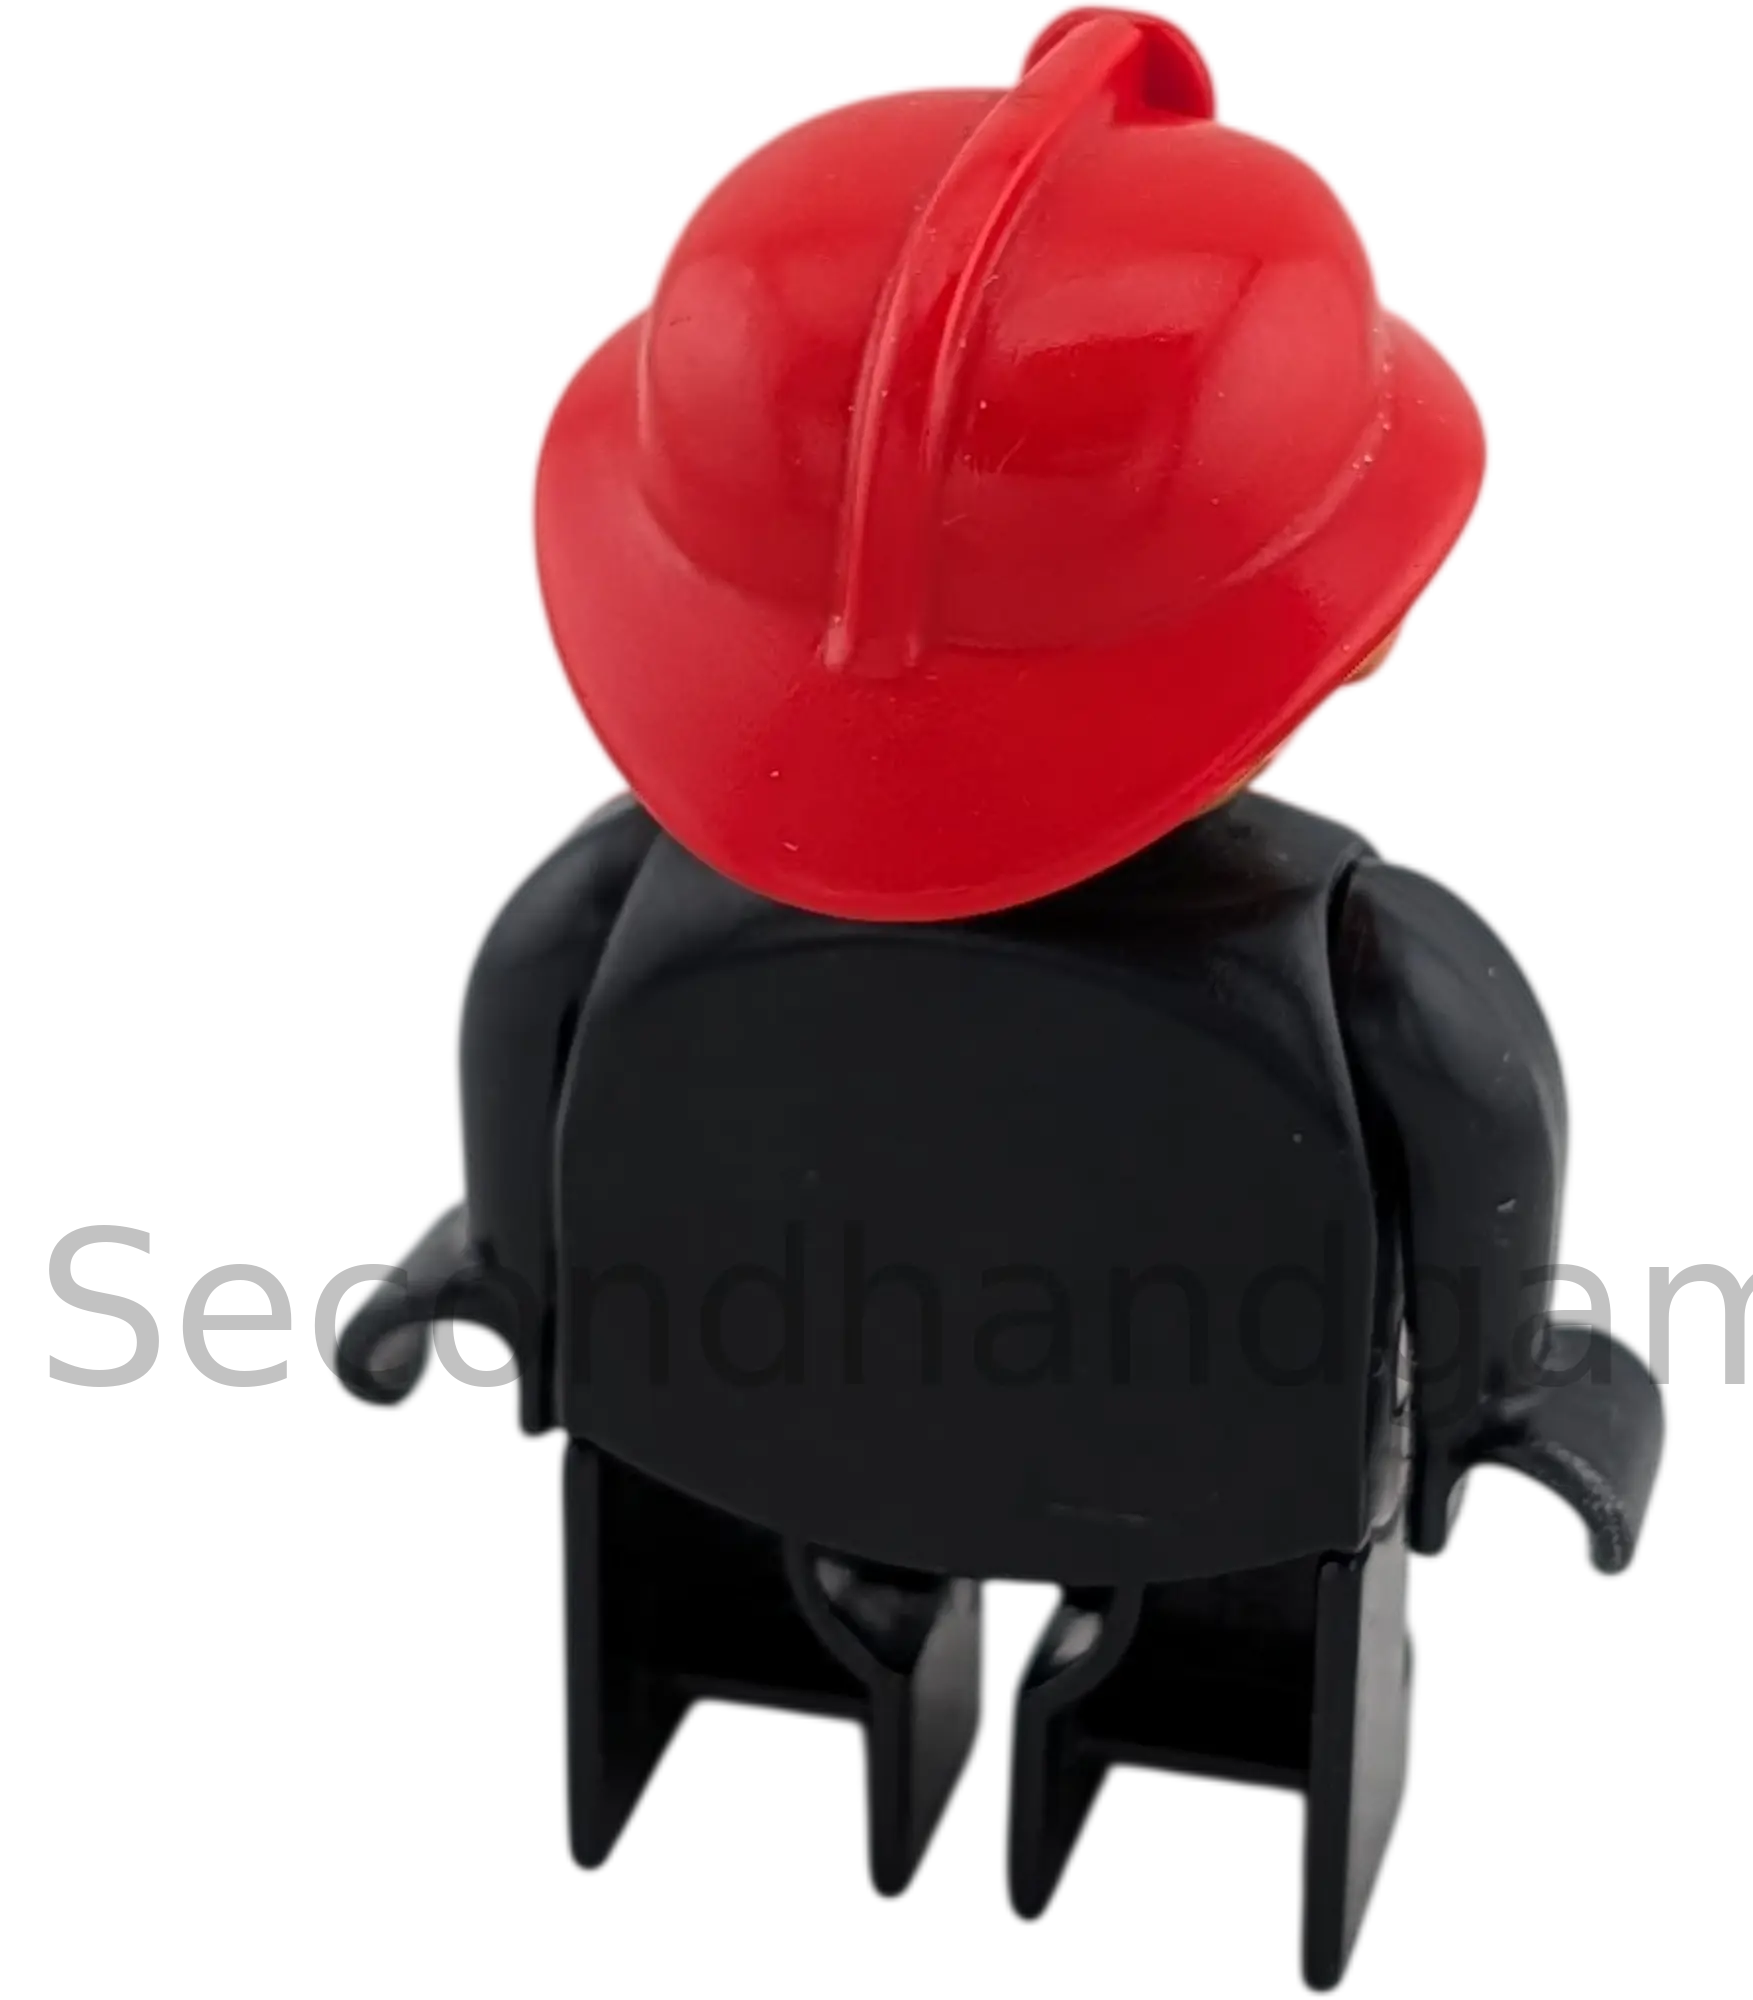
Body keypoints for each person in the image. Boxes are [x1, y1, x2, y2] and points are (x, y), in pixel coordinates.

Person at [330, 8, 1669, 1991]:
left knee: (724, 1587)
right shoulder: (1367, 962)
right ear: (1361, 633)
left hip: (720, 1430)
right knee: (1241, 1678)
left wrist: (510, 1267)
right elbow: (1488, 1183)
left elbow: (519, 1049)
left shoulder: (612, 903)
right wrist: (1497, 1396)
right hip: (1225, 1493)